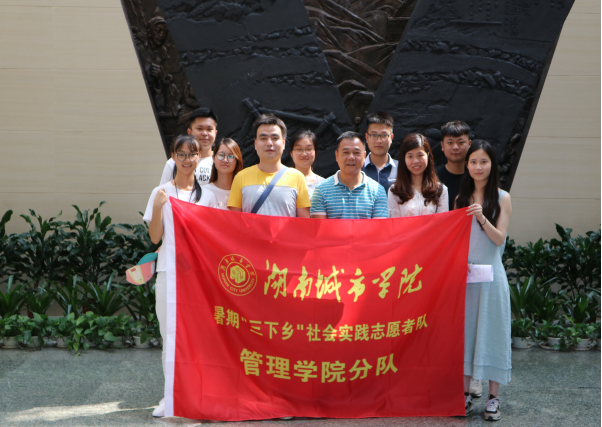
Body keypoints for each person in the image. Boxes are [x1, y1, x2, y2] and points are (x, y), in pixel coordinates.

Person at [143, 135, 205, 418]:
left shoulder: (208, 195)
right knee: (169, 334)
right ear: (173, 157)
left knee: (199, 336)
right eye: (181, 154)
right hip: (169, 272)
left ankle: (197, 393)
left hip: (199, 276)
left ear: (199, 157)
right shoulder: (160, 192)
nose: (187, 160)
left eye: (192, 154)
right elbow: (155, 238)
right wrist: (158, 206)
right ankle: (170, 396)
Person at [455, 140, 512, 421]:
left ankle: (493, 397)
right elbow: (456, 240)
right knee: (466, 334)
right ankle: (465, 393)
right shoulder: (460, 199)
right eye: (474, 162)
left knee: (493, 333)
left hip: (492, 277)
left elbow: (499, 239)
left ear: (492, 165)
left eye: (484, 161)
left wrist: (481, 218)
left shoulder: (502, 197)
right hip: (467, 277)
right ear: (467, 166)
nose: (478, 167)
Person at [227, 114, 311, 217]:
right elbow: (234, 221)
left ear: (283, 142)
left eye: (275, 138)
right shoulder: (241, 177)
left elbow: (304, 222)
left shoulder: (297, 178)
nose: (269, 143)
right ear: (255, 143)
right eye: (263, 138)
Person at [311, 131, 388, 219]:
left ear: (364, 156)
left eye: (356, 152)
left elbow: (379, 226)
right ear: (336, 155)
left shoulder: (378, 191)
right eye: (346, 152)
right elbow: (320, 226)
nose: (351, 157)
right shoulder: (321, 190)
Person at [388, 133, 448, 217]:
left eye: (420, 155)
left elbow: (443, 222)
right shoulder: (395, 190)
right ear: (404, 158)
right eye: (410, 156)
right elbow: (394, 223)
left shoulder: (441, 190)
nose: (415, 161)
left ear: (428, 156)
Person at [160, 107, 218, 186]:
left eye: (209, 129)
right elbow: (163, 191)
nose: (205, 133)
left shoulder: (221, 162)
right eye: (200, 128)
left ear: (215, 133)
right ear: (189, 132)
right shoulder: (174, 162)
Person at [435, 120, 472, 211]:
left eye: (461, 142)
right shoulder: (433, 177)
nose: (455, 147)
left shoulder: (476, 175)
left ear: (469, 144)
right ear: (442, 145)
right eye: (450, 143)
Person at [199, 138, 243, 209]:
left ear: (237, 161)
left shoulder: (244, 193)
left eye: (230, 156)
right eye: (221, 155)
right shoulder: (203, 191)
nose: (225, 160)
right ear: (213, 158)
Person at [362, 111, 398, 193]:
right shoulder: (358, 169)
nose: (379, 141)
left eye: (384, 135)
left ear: (391, 138)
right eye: (374, 135)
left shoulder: (402, 169)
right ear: (367, 137)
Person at [289, 130, 324, 197]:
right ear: (291, 153)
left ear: (315, 152)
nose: (304, 154)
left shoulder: (323, 184)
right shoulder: (281, 180)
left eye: (309, 149)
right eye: (299, 149)